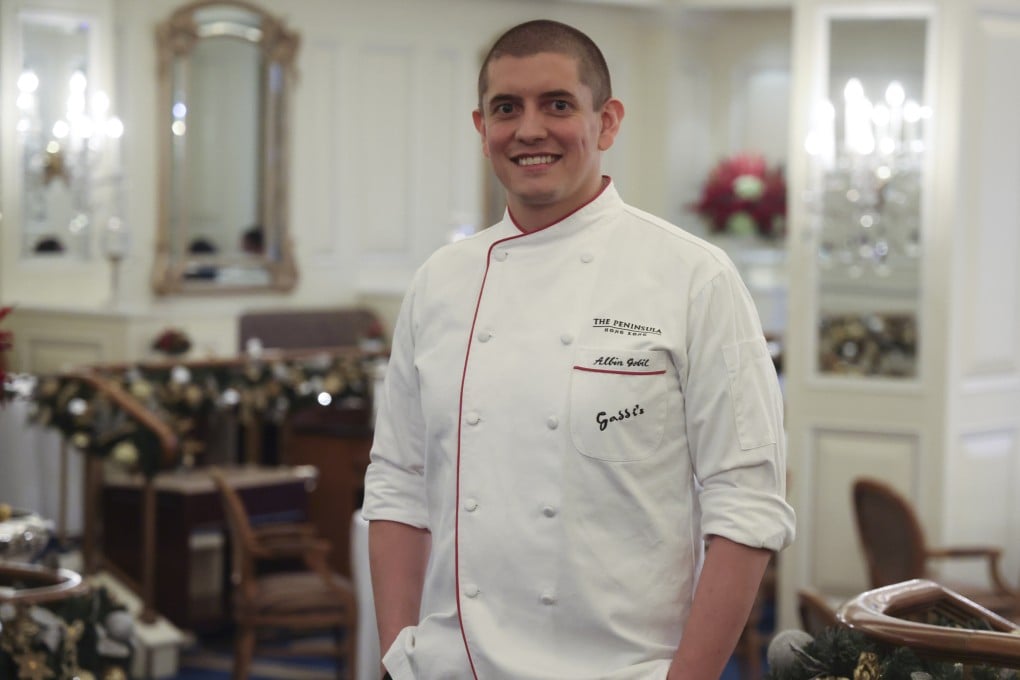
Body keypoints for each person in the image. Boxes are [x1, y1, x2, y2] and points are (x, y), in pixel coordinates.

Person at [363, 19, 795, 680]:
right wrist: (398, 653)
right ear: (482, 127)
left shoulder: (692, 277)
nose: (529, 129)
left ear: (608, 121)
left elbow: (748, 508)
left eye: (558, 104)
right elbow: (397, 483)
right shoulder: (440, 282)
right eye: (507, 108)